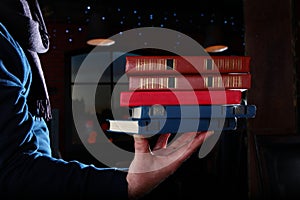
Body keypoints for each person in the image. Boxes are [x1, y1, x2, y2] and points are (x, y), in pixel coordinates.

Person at [0, 0, 211, 199]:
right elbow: (12, 171)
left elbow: (27, 161)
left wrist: (125, 180)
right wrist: (126, 185)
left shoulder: (14, 34)